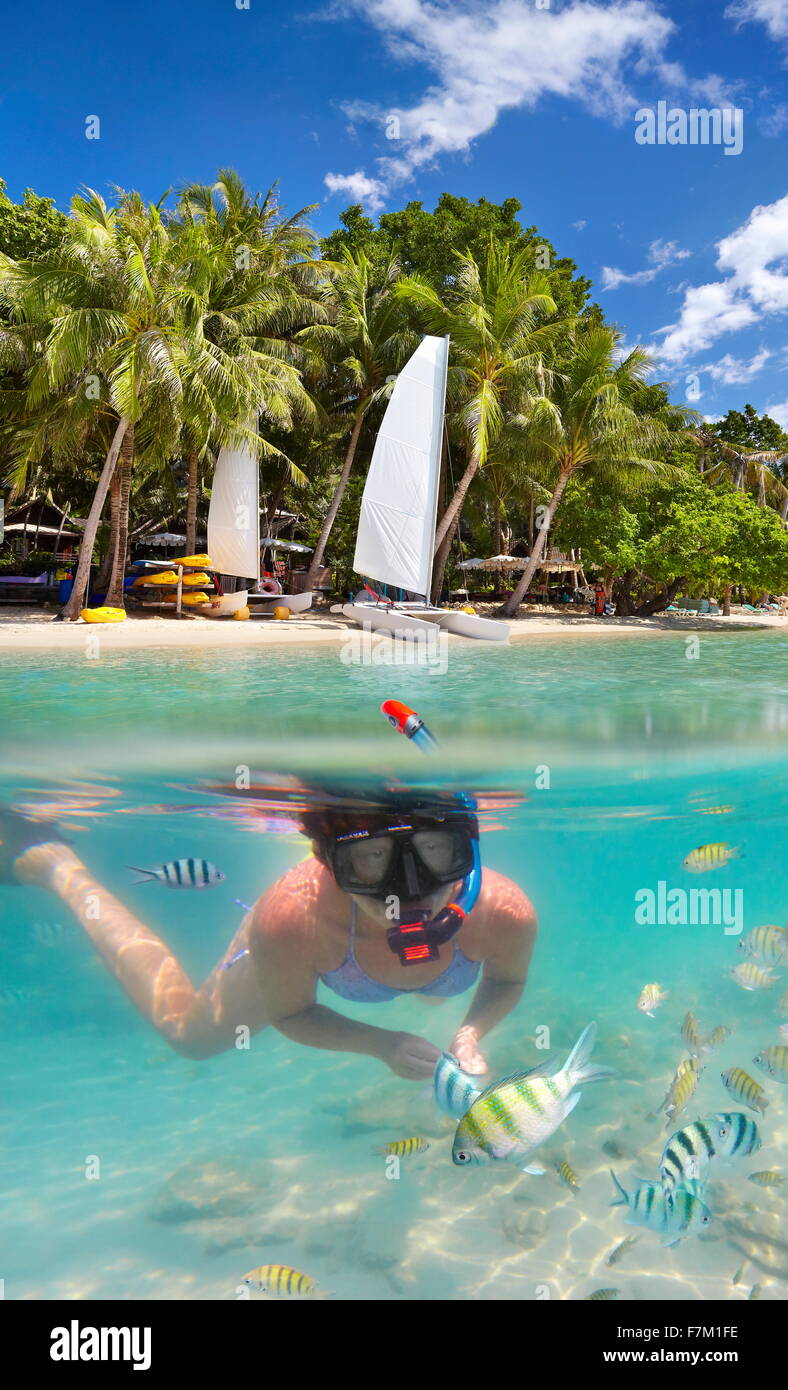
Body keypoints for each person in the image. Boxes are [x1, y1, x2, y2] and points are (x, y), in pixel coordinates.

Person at [4, 789, 537, 1081]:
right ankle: (55, 865)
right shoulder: (292, 923)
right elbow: (292, 1013)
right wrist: (380, 1044)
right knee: (192, 1036)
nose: (410, 891)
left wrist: (469, 1033)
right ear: (328, 863)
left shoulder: (505, 913)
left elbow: (507, 981)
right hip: (316, 935)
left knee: (423, 985)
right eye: (370, 862)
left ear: (469, 850)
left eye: (437, 854)